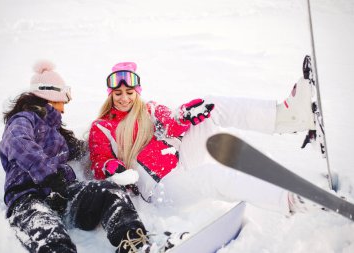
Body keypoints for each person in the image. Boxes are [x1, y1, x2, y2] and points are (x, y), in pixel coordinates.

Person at [88, 62, 318, 251]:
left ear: (136, 93)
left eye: (129, 93)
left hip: (178, 160)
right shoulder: (102, 126)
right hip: (156, 186)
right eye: (118, 93)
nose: (124, 98)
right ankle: (289, 199)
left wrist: (186, 115)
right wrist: (113, 167)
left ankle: (284, 118)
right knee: (215, 177)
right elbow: (100, 161)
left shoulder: (150, 109)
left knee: (211, 105)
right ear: (110, 95)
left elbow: (173, 123)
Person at [0, 61, 150, 253]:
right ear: (50, 98)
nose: (64, 108)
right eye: (63, 101)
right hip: (27, 197)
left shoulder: (57, 133)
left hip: (63, 195)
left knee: (109, 192)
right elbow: (18, 143)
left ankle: (136, 244)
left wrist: (112, 138)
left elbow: (86, 150)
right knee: (50, 236)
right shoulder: (22, 120)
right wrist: (50, 176)